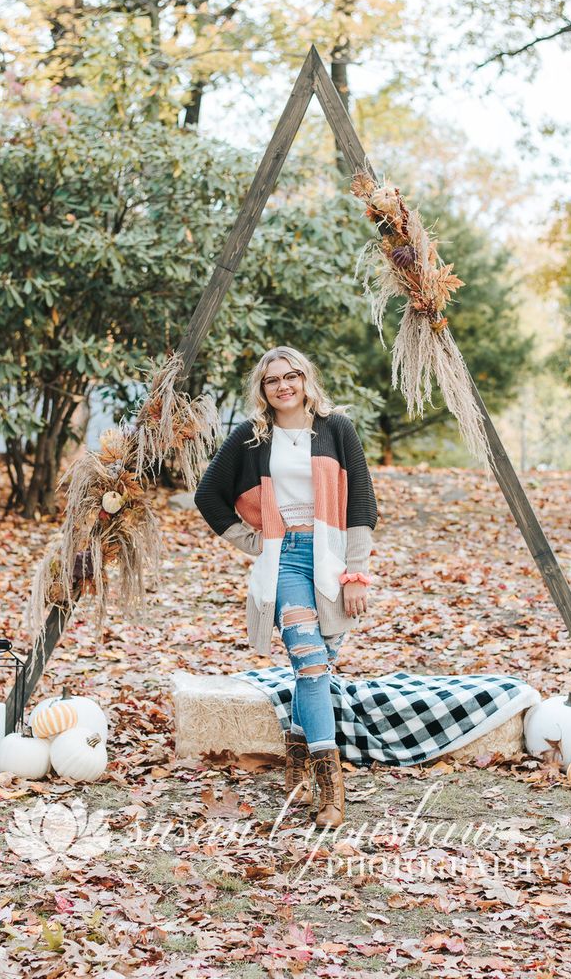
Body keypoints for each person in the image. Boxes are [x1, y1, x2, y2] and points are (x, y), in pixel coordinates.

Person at [194, 346, 378, 826]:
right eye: (273, 380)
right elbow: (207, 495)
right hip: (285, 564)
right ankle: (331, 792)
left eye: (291, 376)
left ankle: (297, 767)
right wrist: (253, 540)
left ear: (305, 380)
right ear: (262, 389)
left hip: (331, 559)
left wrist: (355, 573)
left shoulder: (336, 428)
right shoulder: (252, 438)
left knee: (311, 669)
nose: (283, 386)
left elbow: (361, 500)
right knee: (314, 668)